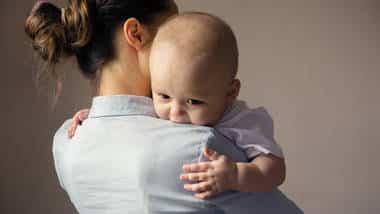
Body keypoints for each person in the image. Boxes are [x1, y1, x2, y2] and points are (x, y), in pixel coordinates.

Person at [25, 0, 303, 213]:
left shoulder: (65, 143)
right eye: (171, 28)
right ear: (136, 34)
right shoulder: (200, 146)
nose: (184, 43)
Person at [69, 12, 286, 199]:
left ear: (230, 93)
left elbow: (275, 169)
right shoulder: (159, 109)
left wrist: (236, 175)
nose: (175, 113)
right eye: (163, 96)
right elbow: (131, 118)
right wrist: (95, 116)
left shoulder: (241, 120)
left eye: (193, 101)